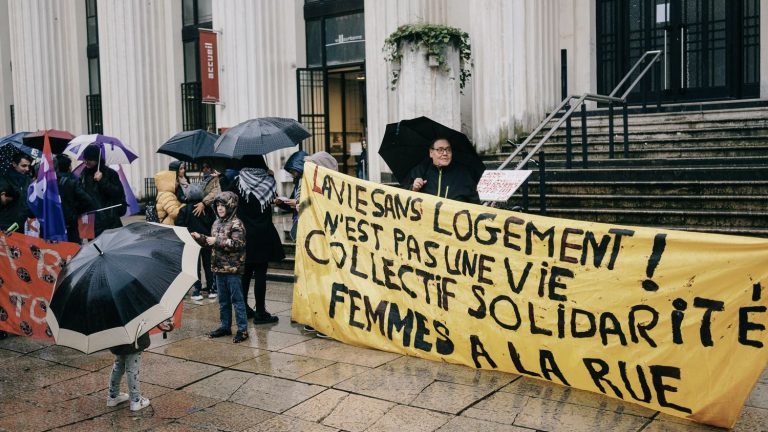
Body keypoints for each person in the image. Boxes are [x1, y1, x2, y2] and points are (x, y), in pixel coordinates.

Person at [229, 155, 285, 322]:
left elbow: (226, 200)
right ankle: (260, 312)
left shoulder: (238, 182)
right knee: (261, 273)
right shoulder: (268, 182)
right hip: (263, 233)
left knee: (245, 273)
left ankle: (244, 308)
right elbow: (277, 201)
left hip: (244, 234)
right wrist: (271, 176)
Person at [192, 191, 249, 343]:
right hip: (218, 269)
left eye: (223, 206)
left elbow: (237, 244)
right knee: (223, 301)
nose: (220, 208)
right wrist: (200, 238)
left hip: (233, 270)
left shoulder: (237, 224)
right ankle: (225, 326)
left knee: (237, 300)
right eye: (217, 206)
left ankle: (243, 330)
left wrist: (215, 241)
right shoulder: (216, 222)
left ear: (230, 206)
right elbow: (211, 242)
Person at [172, 160, 217, 300]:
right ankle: (211, 289)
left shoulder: (185, 210)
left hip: (191, 241)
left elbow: (179, 225)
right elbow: (212, 223)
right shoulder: (207, 209)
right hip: (206, 240)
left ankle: (197, 291)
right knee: (208, 265)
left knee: (194, 267)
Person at [407, 137, 480, 203]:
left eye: (448, 150)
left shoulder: (464, 174)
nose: (445, 153)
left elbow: (475, 202)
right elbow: (404, 200)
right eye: (440, 150)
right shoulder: (420, 171)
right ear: (431, 153)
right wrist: (414, 188)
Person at [80, 145, 127, 236]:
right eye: (85, 159)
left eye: (89, 159)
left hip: (109, 219)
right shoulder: (84, 174)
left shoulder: (110, 173)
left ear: (96, 159)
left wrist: (102, 181)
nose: (86, 162)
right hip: (92, 221)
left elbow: (117, 193)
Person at [55, 155, 96, 243]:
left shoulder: (48, 182)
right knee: (74, 250)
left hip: (54, 224)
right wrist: (75, 212)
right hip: (71, 223)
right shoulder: (72, 181)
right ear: (69, 167)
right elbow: (87, 201)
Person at [106, 331, 151, 411]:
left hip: (117, 340)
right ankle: (136, 400)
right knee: (132, 368)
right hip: (134, 339)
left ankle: (113, 396)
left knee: (119, 365)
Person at [0, 152, 33, 232]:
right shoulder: (4, 179)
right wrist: (12, 196)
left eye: (28, 166)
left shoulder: (28, 180)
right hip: (5, 224)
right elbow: (3, 200)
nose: (27, 169)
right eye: (23, 166)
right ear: (14, 164)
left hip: (21, 223)